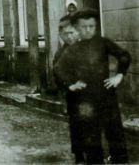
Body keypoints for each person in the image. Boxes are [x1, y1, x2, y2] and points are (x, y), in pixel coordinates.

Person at [54, 9, 131, 164]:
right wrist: (70, 85)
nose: (88, 30)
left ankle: (120, 160)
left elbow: (124, 56)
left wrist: (119, 75)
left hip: (106, 94)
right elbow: (58, 69)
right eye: (84, 27)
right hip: (85, 99)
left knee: (115, 132)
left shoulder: (103, 43)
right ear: (77, 28)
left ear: (96, 26)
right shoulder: (72, 49)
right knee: (91, 136)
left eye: (91, 26)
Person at [53, 15, 83, 163]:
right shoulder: (61, 53)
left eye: (73, 32)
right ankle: (79, 156)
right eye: (66, 34)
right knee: (77, 125)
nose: (70, 36)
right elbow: (57, 73)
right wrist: (68, 86)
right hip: (74, 95)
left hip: (90, 93)